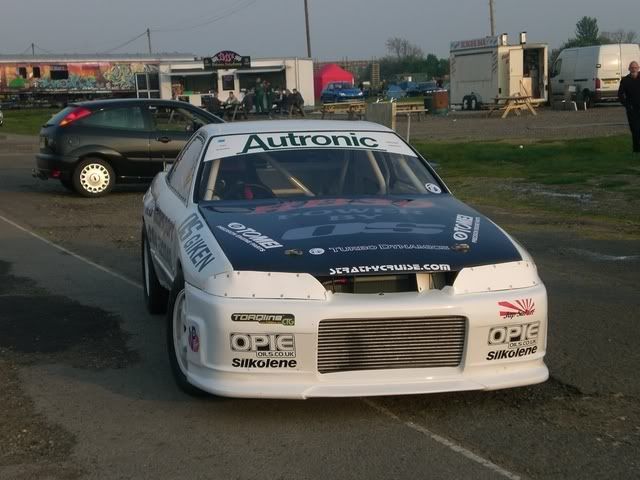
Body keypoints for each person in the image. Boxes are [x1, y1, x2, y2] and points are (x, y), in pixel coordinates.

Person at [618, 60, 640, 153]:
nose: (634, 69)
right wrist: (627, 105)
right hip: (632, 109)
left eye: (635, 67)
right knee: (635, 129)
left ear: (638, 68)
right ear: (629, 69)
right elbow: (620, 94)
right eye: (632, 68)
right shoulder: (625, 80)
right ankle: (636, 150)